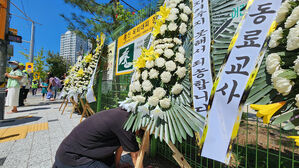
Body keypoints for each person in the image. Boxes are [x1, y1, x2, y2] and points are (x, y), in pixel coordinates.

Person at [53, 108, 140, 168]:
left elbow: (120, 145)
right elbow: (135, 155)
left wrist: (117, 165)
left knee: (110, 162)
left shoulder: (121, 114)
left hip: (67, 154)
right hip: (71, 159)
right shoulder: (126, 122)